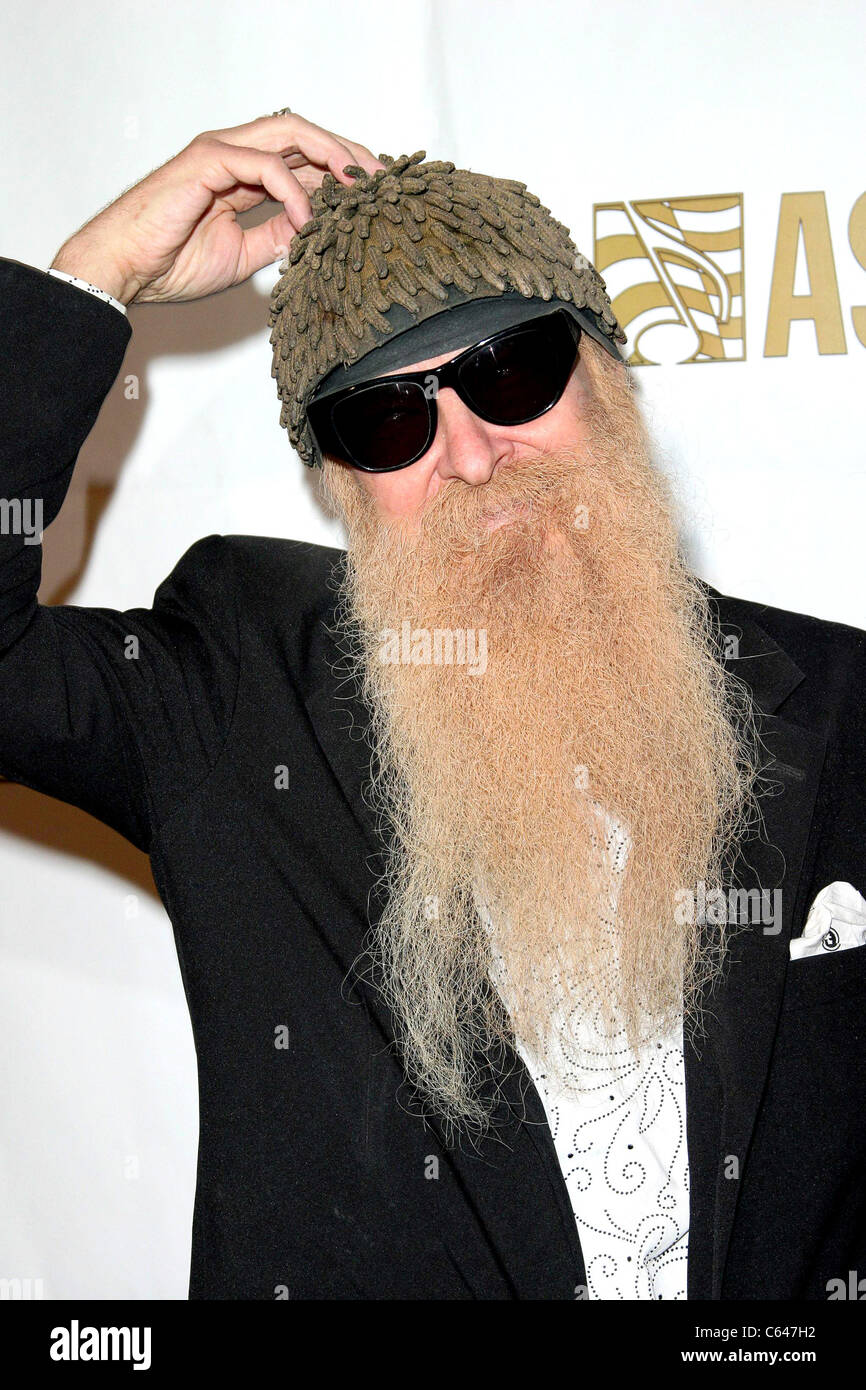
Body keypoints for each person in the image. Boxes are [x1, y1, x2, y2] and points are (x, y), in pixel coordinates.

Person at [1, 110, 865, 1302]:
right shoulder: (235, 702)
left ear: (604, 377)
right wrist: (97, 276)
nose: (467, 453)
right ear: (343, 489)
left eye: (508, 371)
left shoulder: (840, 705)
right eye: (387, 420)